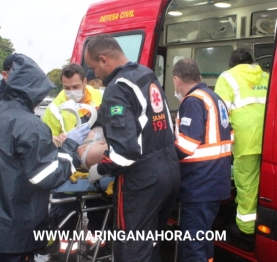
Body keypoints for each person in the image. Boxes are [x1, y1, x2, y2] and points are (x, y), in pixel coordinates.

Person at [0, 53, 90, 262]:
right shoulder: (31, 125)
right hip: (12, 233)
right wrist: (71, 146)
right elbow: (47, 176)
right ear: (33, 90)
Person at [84, 34, 181, 261]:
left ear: (104, 59)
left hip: (143, 178)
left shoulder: (117, 87)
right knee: (151, 241)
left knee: (132, 248)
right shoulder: (146, 75)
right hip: (169, 168)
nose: (94, 75)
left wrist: (99, 169)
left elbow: (124, 154)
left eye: (93, 67)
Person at [172, 58, 233, 262]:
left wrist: (162, 156)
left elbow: (186, 146)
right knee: (203, 238)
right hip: (216, 179)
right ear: (198, 76)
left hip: (199, 184)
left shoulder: (193, 101)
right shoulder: (214, 97)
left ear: (176, 80)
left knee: (193, 244)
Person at [214, 48, 269, 235]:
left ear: (231, 64)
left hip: (246, 138)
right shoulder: (265, 76)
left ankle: (245, 228)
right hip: (270, 135)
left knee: (246, 182)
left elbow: (220, 111)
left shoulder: (227, 77)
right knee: (263, 181)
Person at [42, 63, 102, 146]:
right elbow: (46, 141)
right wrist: (58, 140)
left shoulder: (101, 96)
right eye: (67, 88)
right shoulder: (54, 108)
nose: (72, 91)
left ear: (84, 82)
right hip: (71, 153)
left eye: (75, 87)